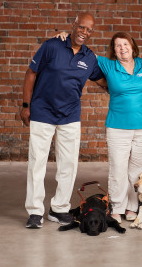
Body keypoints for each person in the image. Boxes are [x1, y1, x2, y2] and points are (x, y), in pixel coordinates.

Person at [56, 31, 142, 223]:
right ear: (113, 50)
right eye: (118, 46)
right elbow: (82, 51)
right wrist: (67, 36)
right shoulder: (108, 65)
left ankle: (133, 207)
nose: (122, 48)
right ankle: (117, 206)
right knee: (118, 169)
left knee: (138, 171)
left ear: (133, 46)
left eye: (125, 44)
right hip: (117, 127)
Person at [20, 12, 106, 229]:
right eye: (81, 27)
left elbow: (103, 80)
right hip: (43, 112)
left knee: (68, 164)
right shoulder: (52, 46)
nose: (84, 32)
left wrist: (126, 84)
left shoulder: (89, 57)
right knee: (37, 163)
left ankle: (59, 208)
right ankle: (35, 211)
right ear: (73, 25)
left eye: (89, 30)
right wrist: (26, 105)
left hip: (70, 116)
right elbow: (31, 73)